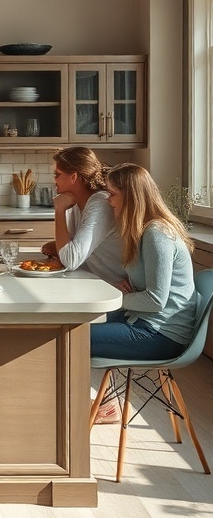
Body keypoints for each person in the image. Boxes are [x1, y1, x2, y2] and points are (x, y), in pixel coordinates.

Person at [91, 163, 197, 422]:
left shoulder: (157, 234)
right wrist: (130, 290)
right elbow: (143, 288)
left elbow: (156, 300)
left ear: (131, 196)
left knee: (69, 337)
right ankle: (99, 403)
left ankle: (97, 407)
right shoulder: (142, 231)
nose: (109, 201)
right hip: (141, 319)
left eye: (113, 193)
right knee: (72, 326)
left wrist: (122, 298)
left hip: (160, 334)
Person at [41, 145, 125, 286]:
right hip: (90, 283)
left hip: (112, 290)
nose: (54, 180)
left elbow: (70, 260)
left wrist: (59, 210)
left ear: (73, 177)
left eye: (57, 175)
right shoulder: (74, 203)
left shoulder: (100, 204)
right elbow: (69, 249)